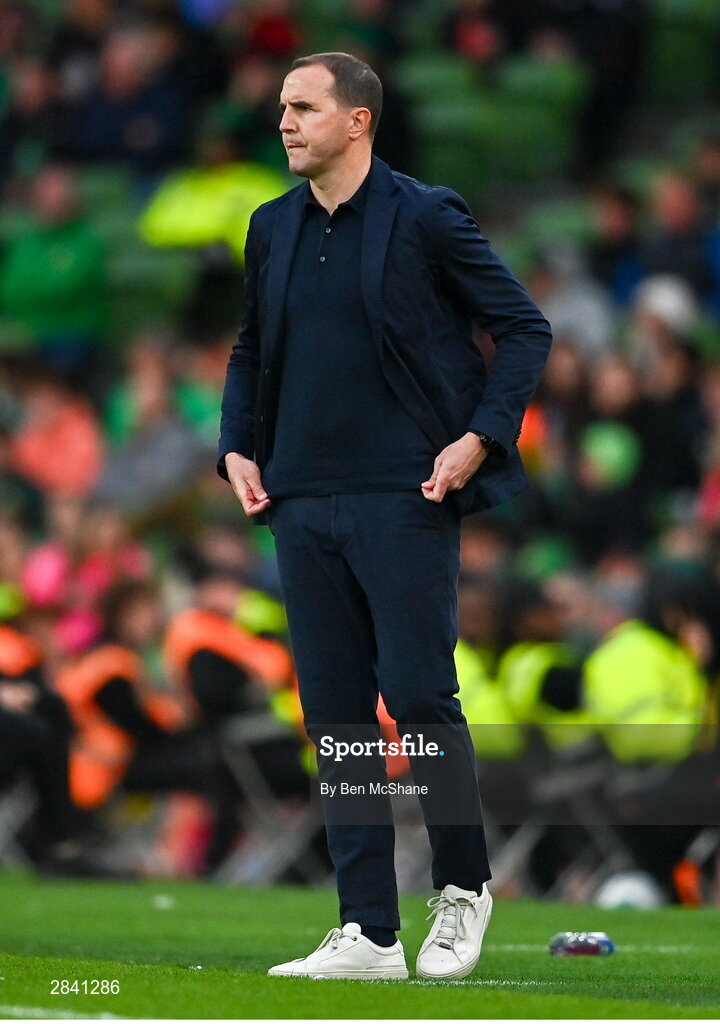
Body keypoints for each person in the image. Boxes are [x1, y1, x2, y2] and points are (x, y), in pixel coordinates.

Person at [218, 51, 552, 981]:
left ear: (356, 121)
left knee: (416, 696)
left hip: (406, 492)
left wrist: (479, 437)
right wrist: (237, 445)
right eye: (281, 106)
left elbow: (524, 327)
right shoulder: (271, 227)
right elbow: (251, 348)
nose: (283, 121)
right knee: (337, 716)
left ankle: (463, 888)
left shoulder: (426, 215)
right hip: (298, 495)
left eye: (302, 107)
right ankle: (367, 929)